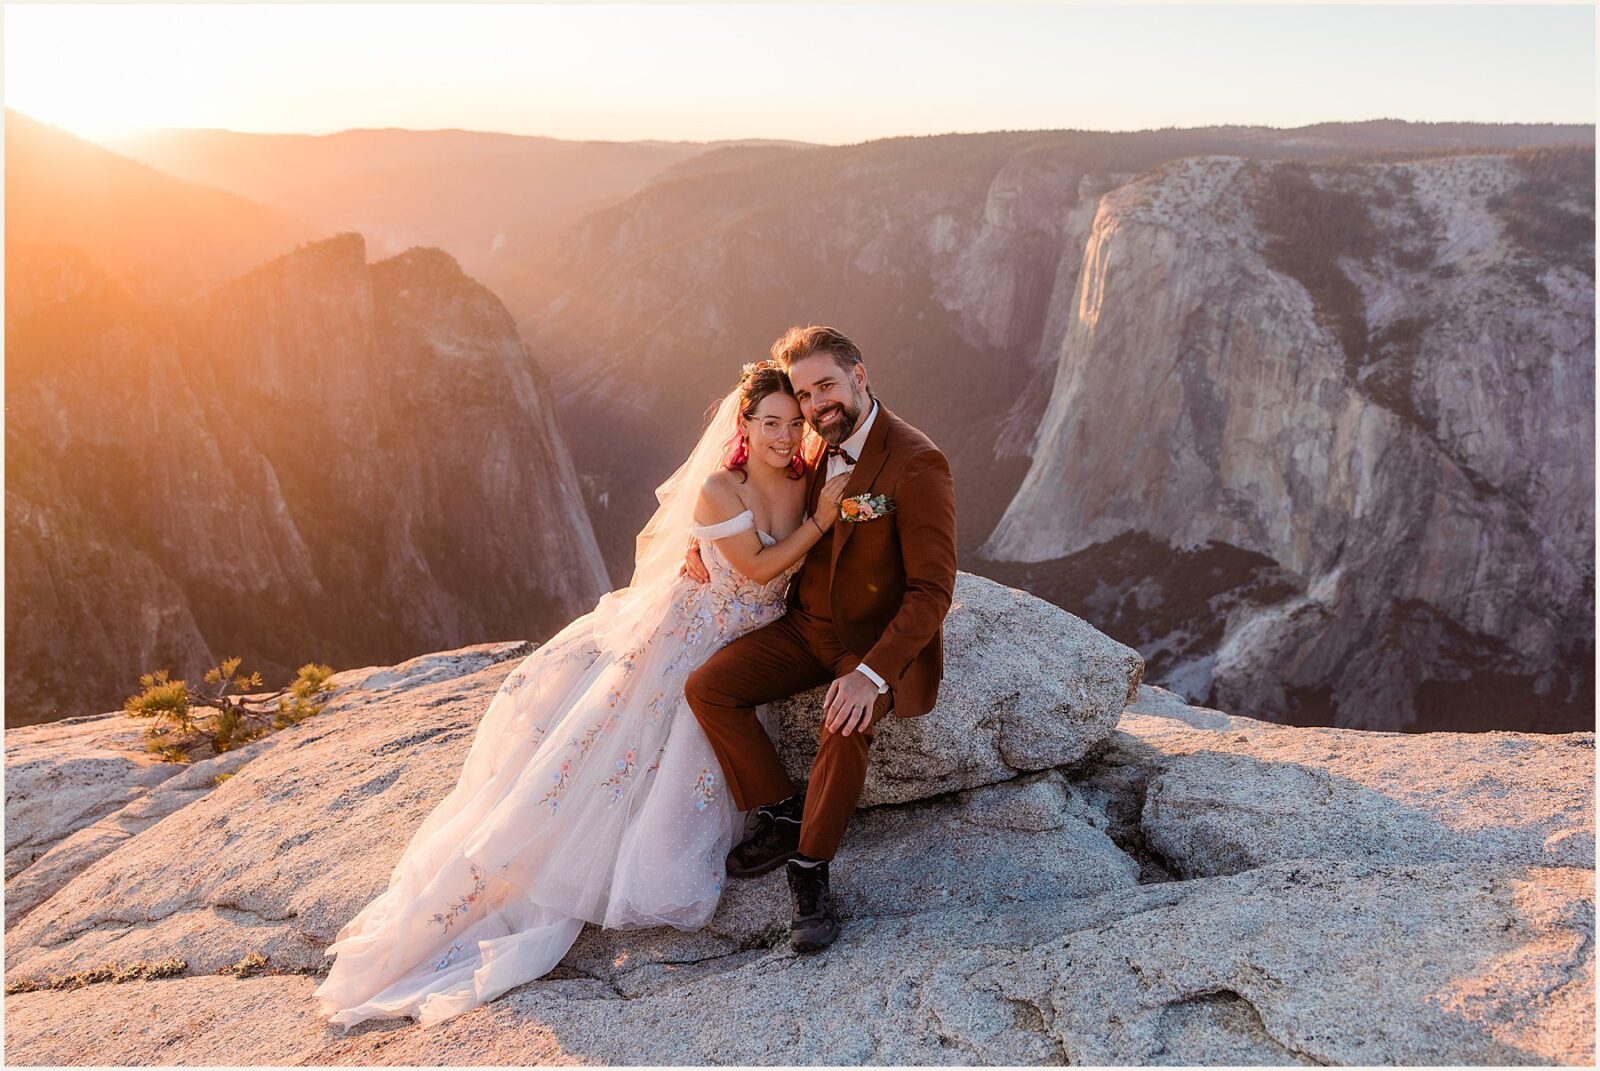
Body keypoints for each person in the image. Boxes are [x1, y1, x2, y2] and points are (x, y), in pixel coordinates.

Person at [313, 360, 849, 1029]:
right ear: (742, 424)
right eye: (770, 422)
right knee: (619, 759)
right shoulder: (721, 487)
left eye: (793, 423)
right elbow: (764, 564)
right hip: (696, 637)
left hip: (752, 643)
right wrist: (823, 520)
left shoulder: (804, 477)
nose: (784, 434)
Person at [682, 324, 958, 953]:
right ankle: (780, 808)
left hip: (868, 643)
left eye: (826, 386)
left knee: (844, 720)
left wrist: (872, 674)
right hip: (804, 627)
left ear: (860, 375)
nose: (813, 406)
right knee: (709, 688)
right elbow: (745, 491)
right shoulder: (813, 439)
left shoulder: (917, 461)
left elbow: (932, 591)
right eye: (804, 394)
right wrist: (695, 546)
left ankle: (809, 867)